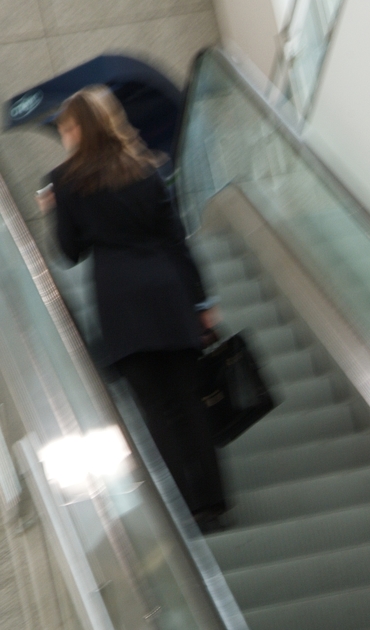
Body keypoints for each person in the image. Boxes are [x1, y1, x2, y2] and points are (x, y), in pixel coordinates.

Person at [39, 86, 225, 530]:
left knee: (156, 409)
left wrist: (52, 209)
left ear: (81, 127)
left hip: (122, 305)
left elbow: (70, 251)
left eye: (66, 126)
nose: (64, 134)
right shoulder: (147, 168)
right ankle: (213, 502)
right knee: (188, 401)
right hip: (169, 294)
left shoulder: (66, 182)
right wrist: (202, 301)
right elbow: (176, 240)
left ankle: (184, 511)